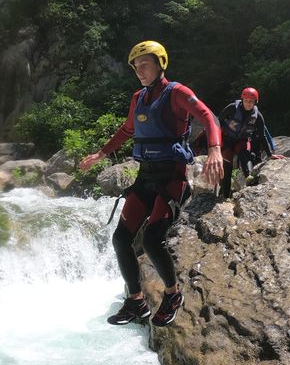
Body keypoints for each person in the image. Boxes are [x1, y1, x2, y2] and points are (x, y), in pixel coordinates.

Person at [79, 40, 225, 327]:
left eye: (144, 64)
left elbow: (208, 116)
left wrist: (216, 149)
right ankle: (136, 302)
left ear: (160, 63)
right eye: (136, 67)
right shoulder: (139, 98)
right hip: (145, 177)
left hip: (173, 179)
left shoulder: (177, 93)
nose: (139, 71)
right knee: (121, 239)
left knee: (151, 239)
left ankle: (172, 295)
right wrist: (101, 153)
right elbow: (127, 129)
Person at [217, 87, 280, 198]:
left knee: (246, 156)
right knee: (227, 168)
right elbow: (218, 122)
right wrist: (216, 142)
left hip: (241, 140)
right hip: (226, 139)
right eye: (246, 101)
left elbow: (262, 135)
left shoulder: (257, 116)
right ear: (242, 100)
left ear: (255, 102)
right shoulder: (232, 108)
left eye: (251, 101)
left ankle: (250, 181)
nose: (248, 104)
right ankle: (225, 195)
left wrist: (270, 154)